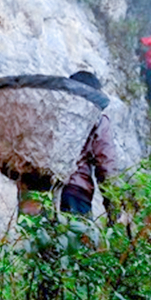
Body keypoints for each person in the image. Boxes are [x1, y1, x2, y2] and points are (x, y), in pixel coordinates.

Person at [60, 71, 119, 216]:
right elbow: (106, 163)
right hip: (75, 193)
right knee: (76, 237)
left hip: (39, 190)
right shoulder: (97, 119)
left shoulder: (55, 111)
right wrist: (113, 205)